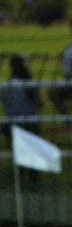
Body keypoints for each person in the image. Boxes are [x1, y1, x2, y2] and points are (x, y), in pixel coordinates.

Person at [1, 54, 42, 191]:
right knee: (32, 161)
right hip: (29, 124)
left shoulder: (6, 86)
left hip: (13, 125)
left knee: (18, 160)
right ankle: (33, 188)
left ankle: (19, 191)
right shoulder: (29, 84)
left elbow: (5, 105)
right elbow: (39, 104)